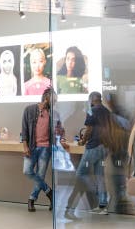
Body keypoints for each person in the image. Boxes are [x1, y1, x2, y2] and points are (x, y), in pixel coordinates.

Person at [65, 91, 110, 219]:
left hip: (94, 147)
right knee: (100, 175)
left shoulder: (92, 110)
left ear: (91, 99)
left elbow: (89, 129)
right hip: (104, 147)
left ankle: (96, 192)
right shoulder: (106, 111)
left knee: (81, 173)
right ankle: (102, 205)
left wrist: (82, 141)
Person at [20, 88, 57, 212]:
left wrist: (61, 139)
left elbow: (58, 129)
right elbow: (24, 131)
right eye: (54, 100)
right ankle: (49, 192)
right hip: (32, 147)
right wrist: (25, 147)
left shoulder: (52, 114)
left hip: (46, 148)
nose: (55, 102)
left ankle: (31, 199)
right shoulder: (29, 110)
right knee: (27, 171)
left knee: (40, 175)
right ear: (47, 98)